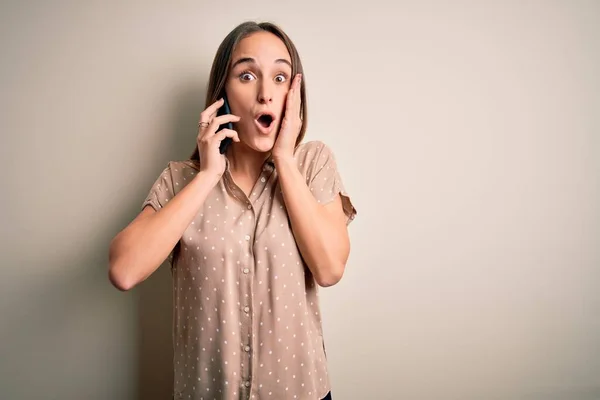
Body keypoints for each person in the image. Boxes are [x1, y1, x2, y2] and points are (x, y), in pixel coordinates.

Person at [108, 20, 357, 400]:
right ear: (222, 92)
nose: (264, 94)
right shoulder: (181, 180)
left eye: (279, 77)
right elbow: (124, 271)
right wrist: (209, 174)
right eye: (246, 75)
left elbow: (329, 268)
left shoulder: (312, 163)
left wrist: (285, 161)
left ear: (294, 93)